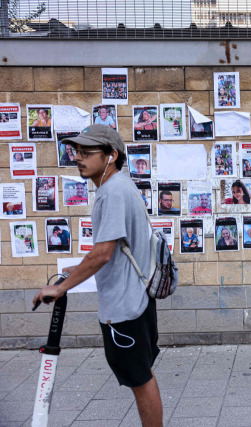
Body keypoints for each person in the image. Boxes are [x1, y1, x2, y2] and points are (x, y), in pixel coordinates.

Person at [33, 124, 163, 427]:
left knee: (140, 380)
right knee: (141, 375)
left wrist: (62, 287)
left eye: (86, 152)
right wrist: (77, 270)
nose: (78, 158)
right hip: (137, 300)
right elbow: (113, 250)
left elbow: (103, 253)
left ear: (111, 156)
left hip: (125, 307)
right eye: (76, 151)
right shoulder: (121, 186)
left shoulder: (112, 192)